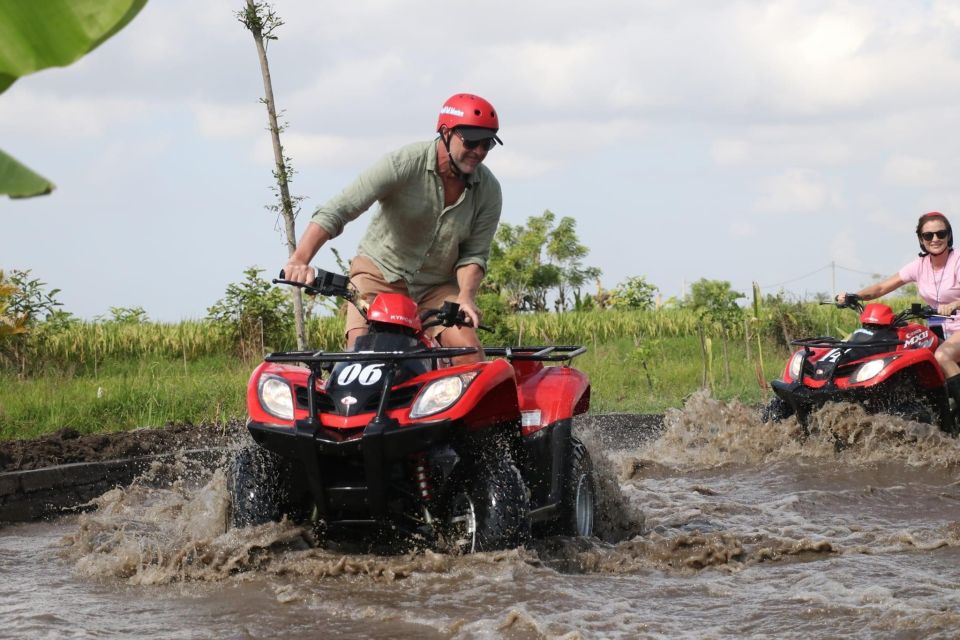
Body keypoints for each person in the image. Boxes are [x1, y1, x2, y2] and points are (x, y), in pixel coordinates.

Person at [283, 93, 503, 363]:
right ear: (446, 133)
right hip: (378, 277)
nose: (479, 151)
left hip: (437, 287)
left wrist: (466, 298)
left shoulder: (488, 189)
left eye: (487, 144)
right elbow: (340, 209)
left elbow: (473, 254)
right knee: (362, 355)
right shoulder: (404, 163)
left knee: (468, 352)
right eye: (471, 141)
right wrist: (299, 260)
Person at [836, 211, 960, 406]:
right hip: (938, 330)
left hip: (958, 328)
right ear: (921, 239)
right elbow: (882, 287)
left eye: (941, 234)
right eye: (928, 235)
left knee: (943, 356)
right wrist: (855, 296)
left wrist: (955, 304)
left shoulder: (957, 261)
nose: (935, 239)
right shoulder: (919, 266)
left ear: (949, 235)